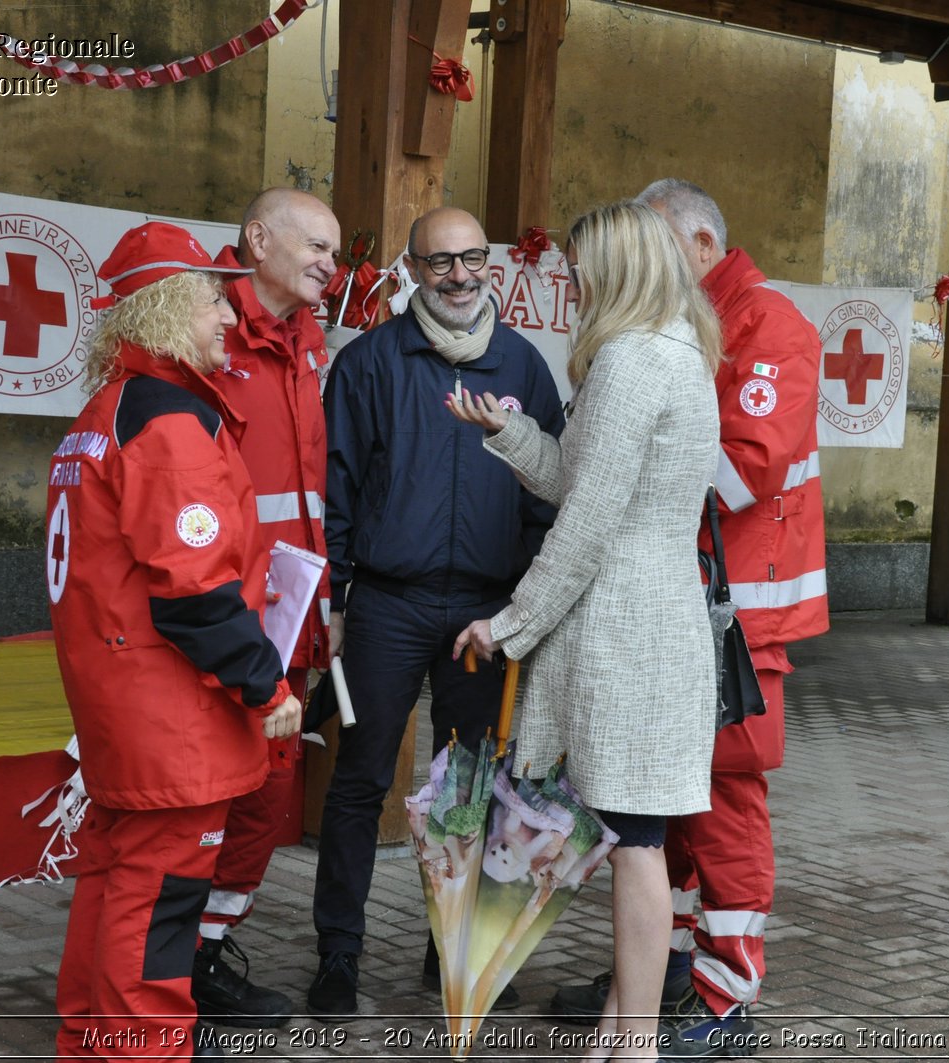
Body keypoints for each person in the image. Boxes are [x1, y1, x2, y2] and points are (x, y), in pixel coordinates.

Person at [549, 179, 830, 1058]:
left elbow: (743, 472)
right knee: (657, 800)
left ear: (701, 246)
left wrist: (627, 447)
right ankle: (658, 972)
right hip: (681, 607)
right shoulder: (685, 327)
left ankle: (726, 994)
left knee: (723, 806)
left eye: (656, 243)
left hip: (739, 619)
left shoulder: (769, 325)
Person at [450, 199, 723, 1062]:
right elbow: (580, 478)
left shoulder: (634, 360)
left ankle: (633, 1041)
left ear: (617, 269)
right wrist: (512, 431)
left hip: (626, 628)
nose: (572, 284)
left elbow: (588, 519)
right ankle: (622, 1026)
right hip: (653, 613)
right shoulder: (676, 349)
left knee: (636, 840)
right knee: (631, 834)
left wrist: (511, 624)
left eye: (579, 270)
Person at [47, 221, 302, 1060]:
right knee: (159, 907)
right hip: (171, 713)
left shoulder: (105, 412)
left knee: (113, 882)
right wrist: (267, 686)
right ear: (162, 308)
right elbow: (194, 595)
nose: (227, 317)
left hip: (121, 699)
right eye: (209, 300)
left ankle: (92, 1043)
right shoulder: (169, 423)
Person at [308, 206, 565, 1019]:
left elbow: (547, 492)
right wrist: (335, 598)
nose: (460, 276)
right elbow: (335, 488)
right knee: (360, 781)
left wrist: (528, 605)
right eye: (440, 262)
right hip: (387, 602)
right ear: (412, 269)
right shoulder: (372, 362)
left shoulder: (525, 365)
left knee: (468, 790)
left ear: (491, 264)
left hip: (485, 613)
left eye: (473, 259)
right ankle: (337, 957)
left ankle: (449, 952)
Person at [191, 188, 341, 1029]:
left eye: (334, 249)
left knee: (265, 786)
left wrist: (328, 605)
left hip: (289, 613)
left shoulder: (308, 337)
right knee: (208, 785)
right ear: (257, 238)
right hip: (217, 612)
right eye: (314, 244)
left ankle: (204, 951)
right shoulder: (205, 330)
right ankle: (171, 962)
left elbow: (311, 490)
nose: (330, 261)